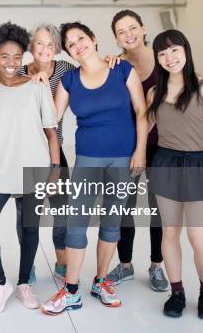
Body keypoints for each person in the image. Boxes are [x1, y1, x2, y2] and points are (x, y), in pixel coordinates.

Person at [42, 21, 147, 314]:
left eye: (81, 38)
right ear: (69, 52)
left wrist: (139, 150)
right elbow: (51, 117)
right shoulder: (70, 81)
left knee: (111, 222)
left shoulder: (122, 70)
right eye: (71, 44)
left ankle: (101, 280)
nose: (78, 45)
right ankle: (72, 289)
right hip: (88, 159)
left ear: (94, 39)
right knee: (77, 224)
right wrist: (32, 81)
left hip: (123, 157)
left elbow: (141, 111)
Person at [0, 22, 59, 315]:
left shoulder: (37, 87)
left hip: (34, 168)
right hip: (0, 170)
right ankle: (0, 283)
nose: (11, 62)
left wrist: (55, 168)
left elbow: (51, 132)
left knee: (29, 229)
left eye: (17, 56)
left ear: (24, 58)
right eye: (5, 56)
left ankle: (23, 283)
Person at [146, 29, 203, 320]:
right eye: (162, 54)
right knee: (169, 233)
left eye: (174, 50)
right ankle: (176, 292)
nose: (169, 58)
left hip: (199, 165)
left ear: (186, 50)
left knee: (198, 237)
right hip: (165, 164)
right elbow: (145, 125)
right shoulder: (156, 93)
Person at [106, 9, 169, 292]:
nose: (128, 34)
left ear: (144, 29)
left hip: (163, 145)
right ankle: (126, 264)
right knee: (123, 208)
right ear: (117, 39)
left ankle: (157, 266)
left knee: (159, 209)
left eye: (133, 28)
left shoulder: (164, 61)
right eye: (121, 31)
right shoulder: (117, 66)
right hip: (127, 145)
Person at [19, 22, 75, 283]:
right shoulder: (18, 71)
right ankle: (27, 264)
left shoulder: (65, 70)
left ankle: (62, 261)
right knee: (26, 214)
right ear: (32, 46)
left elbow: (92, 72)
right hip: (25, 153)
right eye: (39, 43)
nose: (44, 48)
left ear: (56, 48)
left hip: (55, 150)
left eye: (50, 44)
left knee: (61, 210)